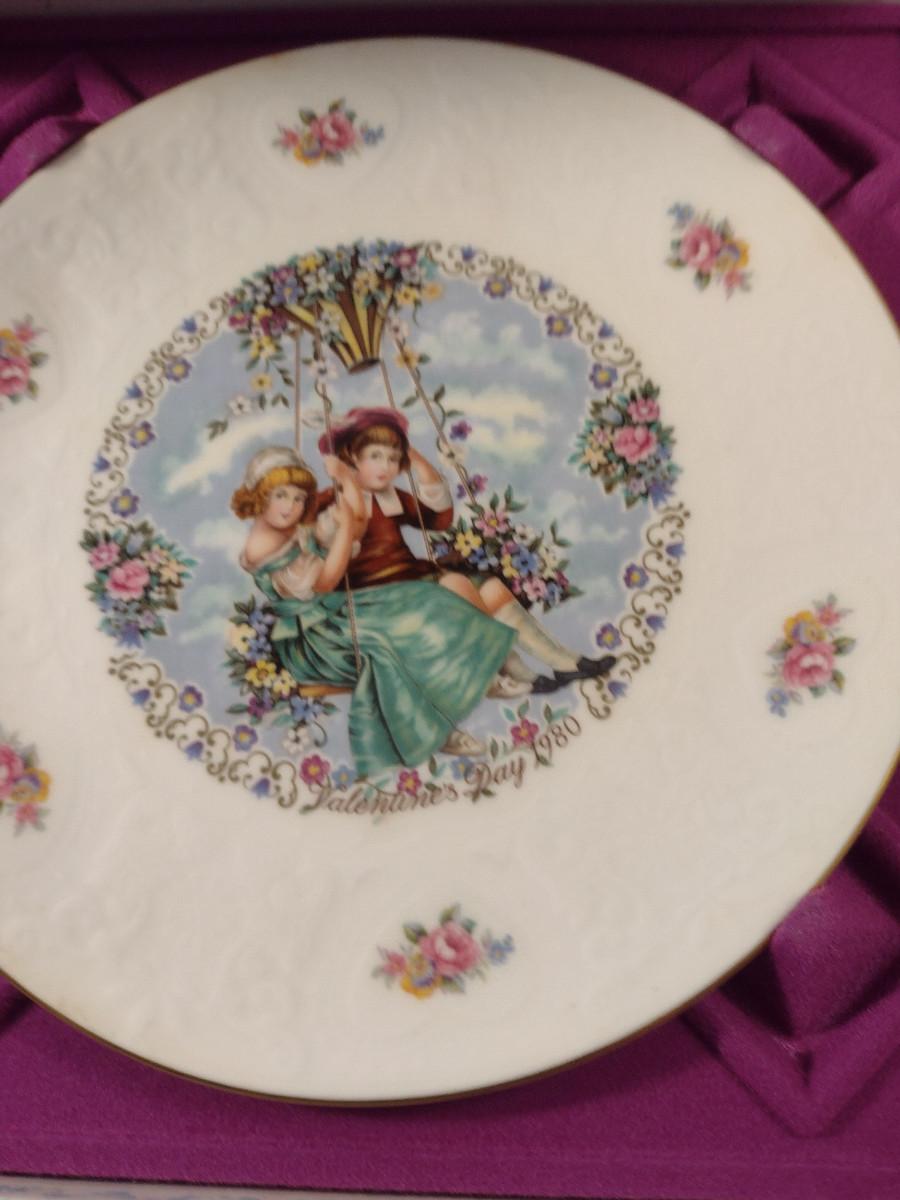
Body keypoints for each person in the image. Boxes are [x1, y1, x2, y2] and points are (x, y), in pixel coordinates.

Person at [230, 446, 517, 777]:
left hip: (332, 614)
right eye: (281, 495)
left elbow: (356, 523)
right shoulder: (263, 545)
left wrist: (345, 480)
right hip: (315, 638)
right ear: (260, 495)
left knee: (426, 598)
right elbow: (324, 582)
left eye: (298, 498)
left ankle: (476, 677)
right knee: (385, 642)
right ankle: (433, 730)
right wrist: (344, 529)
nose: (290, 506)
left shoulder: (291, 528)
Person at [316, 407, 615, 692]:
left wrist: (416, 459)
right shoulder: (333, 500)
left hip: (411, 574)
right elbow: (321, 546)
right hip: (373, 588)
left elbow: (438, 519)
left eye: (393, 459)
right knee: (458, 587)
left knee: (491, 589)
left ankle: (561, 660)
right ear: (352, 457)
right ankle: (516, 671)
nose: (385, 467)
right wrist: (344, 485)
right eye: (375, 456)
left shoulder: (392, 496)